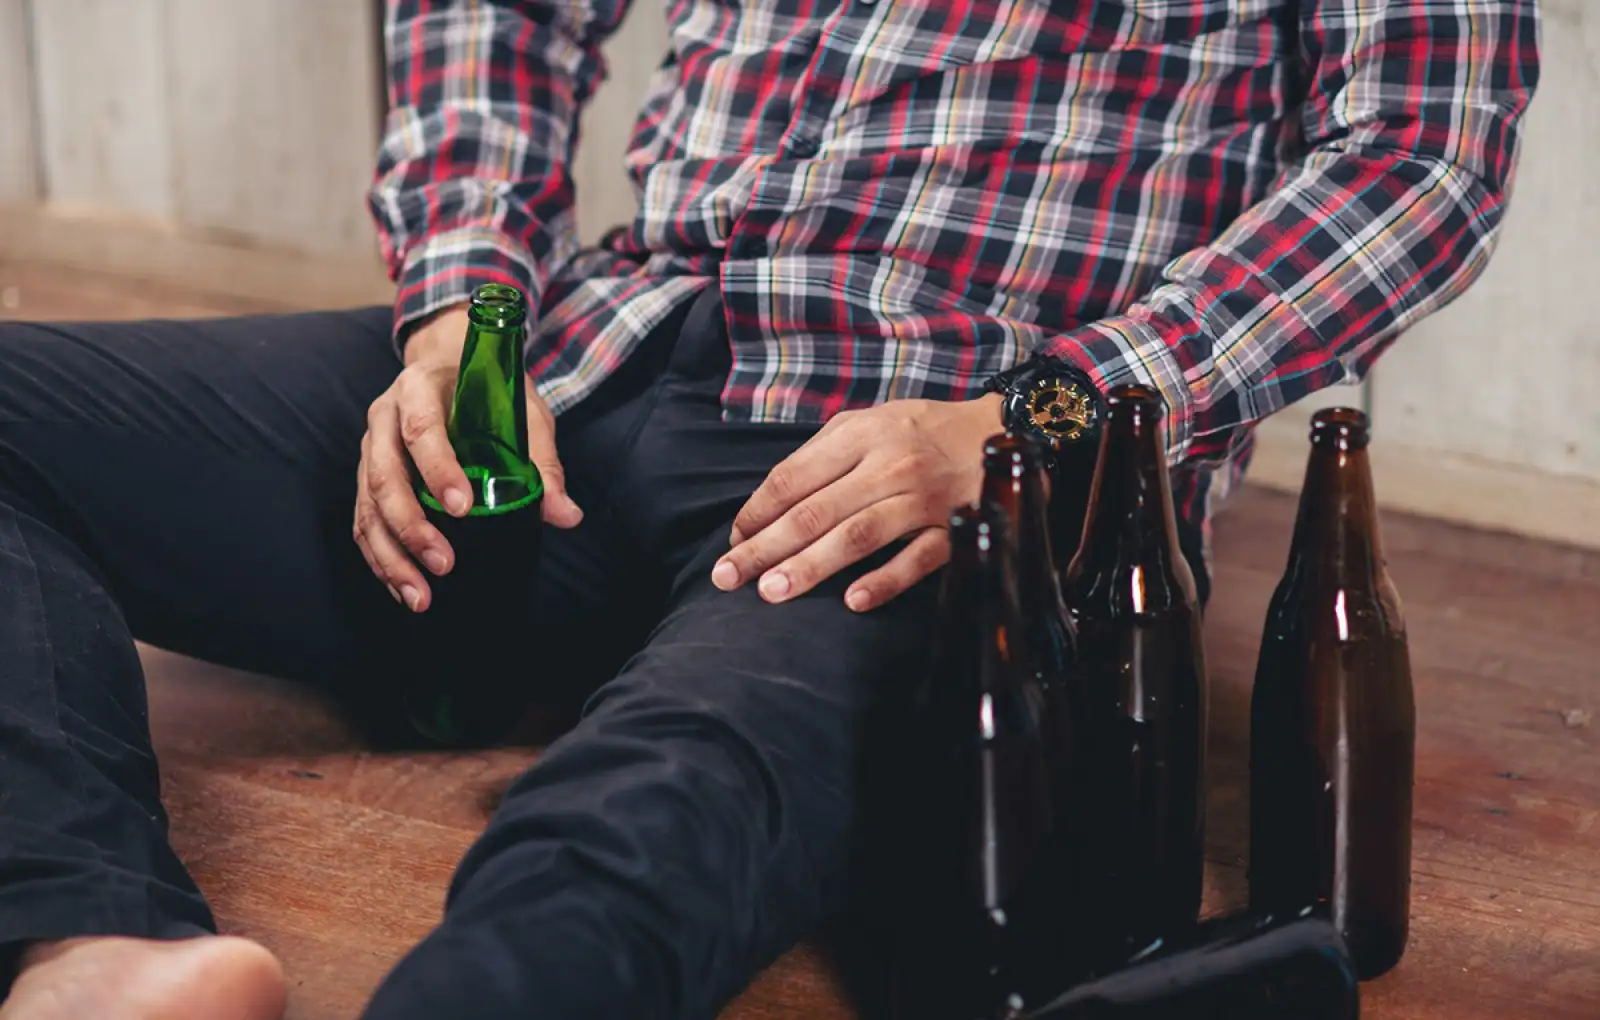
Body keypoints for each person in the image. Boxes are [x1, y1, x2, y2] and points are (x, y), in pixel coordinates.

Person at [0, 1, 1539, 1018]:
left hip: (935, 444)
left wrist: (1032, 423)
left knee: (661, 809)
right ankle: (96, 936)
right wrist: (464, 311)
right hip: (595, 349)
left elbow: (1423, 156)